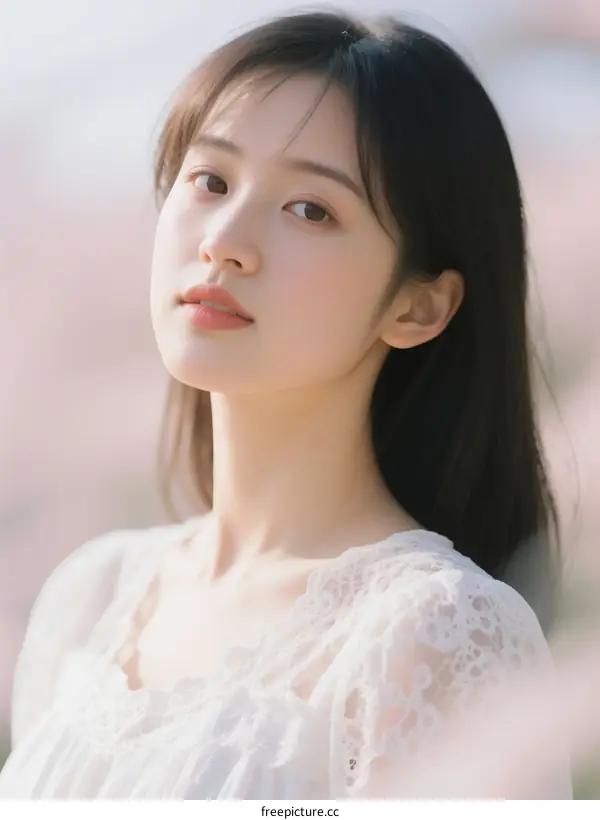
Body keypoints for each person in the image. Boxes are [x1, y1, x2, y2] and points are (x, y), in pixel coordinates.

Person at [0, 9, 573, 799]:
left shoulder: (436, 633)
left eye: (311, 209)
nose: (225, 239)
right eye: (211, 180)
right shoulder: (90, 596)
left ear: (418, 306)